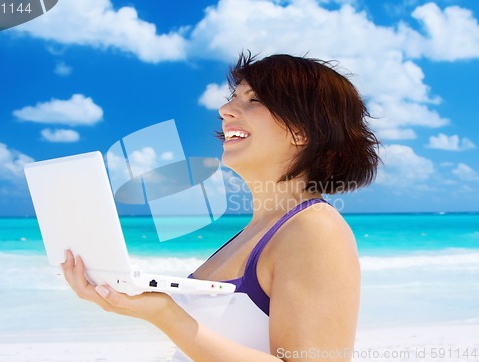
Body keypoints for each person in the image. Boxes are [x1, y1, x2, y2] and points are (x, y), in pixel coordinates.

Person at [62, 52, 380, 361]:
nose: (225, 109)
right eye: (233, 97)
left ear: (301, 130)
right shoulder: (257, 231)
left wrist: (165, 313)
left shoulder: (315, 229)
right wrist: (132, 298)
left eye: (253, 99)